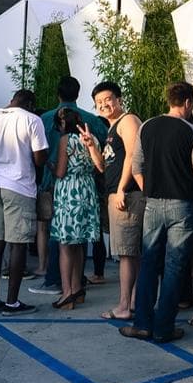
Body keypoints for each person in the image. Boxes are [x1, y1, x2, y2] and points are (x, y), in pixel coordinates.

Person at [121, 82, 193, 342]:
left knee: (149, 263)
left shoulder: (147, 127)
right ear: (188, 102)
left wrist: (150, 190)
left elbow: (136, 168)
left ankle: (142, 323)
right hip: (184, 203)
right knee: (175, 266)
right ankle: (164, 327)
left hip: (153, 203)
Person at [30, 77, 108, 298]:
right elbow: (104, 149)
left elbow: (44, 157)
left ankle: (58, 282)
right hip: (87, 186)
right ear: (78, 92)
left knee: (59, 236)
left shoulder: (45, 120)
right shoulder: (92, 122)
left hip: (58, 185)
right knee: (80, 237)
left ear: (58, 94)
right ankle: (78, 282)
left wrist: (50, 165)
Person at [0, 89, 49, 316]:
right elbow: (39, 158)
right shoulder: (32, 120)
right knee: (18, 244)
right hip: (19, 186)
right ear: (29, 102)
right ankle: (12, 302)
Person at [82, 82, 143, 320]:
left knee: (127, 254)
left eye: (108, 99)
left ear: (118, 99)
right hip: (119, 195)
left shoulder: (127, 121)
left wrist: (121, 189)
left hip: (127, 196)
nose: (104, 105)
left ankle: (125, 306)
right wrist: (91, 147)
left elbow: (132, 155)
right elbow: (103, 166)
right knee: (130, 253)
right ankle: (133, 303)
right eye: (99, 103)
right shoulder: (111, 128)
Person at [50, 107, 101, 310]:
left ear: (62, 124)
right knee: (79, 244)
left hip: (69, 191)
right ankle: (78, 287)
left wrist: (52, 167)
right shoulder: (91, 138)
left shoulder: (66, 140)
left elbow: (61, 171)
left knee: (65, 245)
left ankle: (67, 292)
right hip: (87, 190)